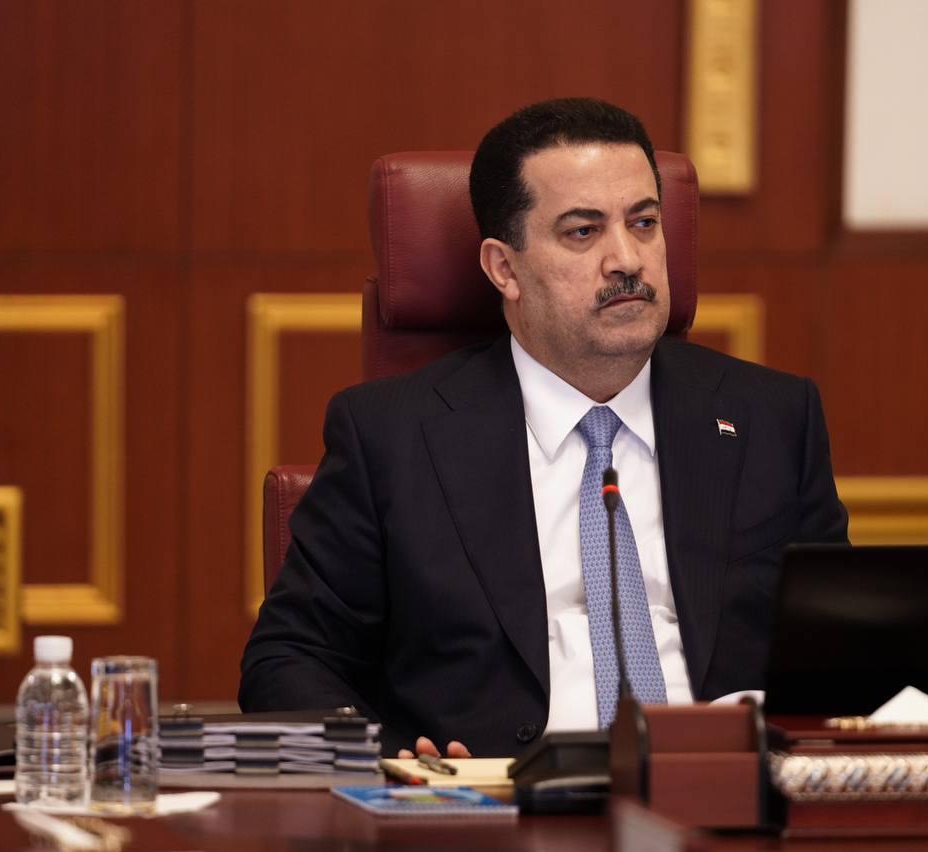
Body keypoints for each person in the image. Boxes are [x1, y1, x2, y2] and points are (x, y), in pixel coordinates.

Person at [239, 98, 848, 758]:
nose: (628, 259)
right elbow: (289, 659)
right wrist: (395, 766)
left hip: (722, 785)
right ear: (504, 268)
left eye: (644, 223)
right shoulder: (392, 436)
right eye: (583, 232)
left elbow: (839, 646)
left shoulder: (770, 418)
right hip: (495, 799)